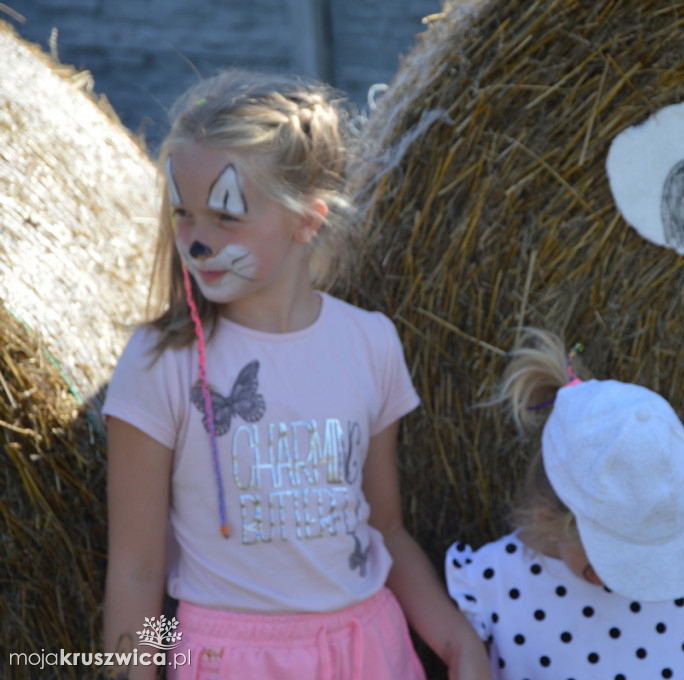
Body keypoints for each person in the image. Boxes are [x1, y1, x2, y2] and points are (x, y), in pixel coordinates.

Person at [101, 70, 490, 680]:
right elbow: (136, 571)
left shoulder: (370, 343)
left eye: (225, 218)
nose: (197, 242)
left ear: (307, 220)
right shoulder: (160, 363)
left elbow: (384, 527)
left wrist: (458, 642)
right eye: (183, 214)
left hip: (370, 651)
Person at [446, 329, 684, 680]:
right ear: (548, 520)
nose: (640, 574)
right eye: (617, 563)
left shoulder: (677, 574)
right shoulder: (490, 582)